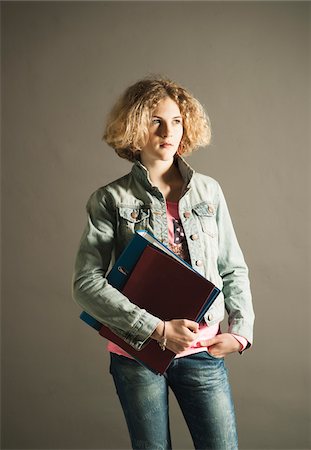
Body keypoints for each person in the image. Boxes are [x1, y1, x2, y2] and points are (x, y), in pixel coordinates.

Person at [72, 76, 255, 450]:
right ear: (134, 127)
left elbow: (233, 266)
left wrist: (241, 331)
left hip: (201, 350)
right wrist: (157, 330)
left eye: (176, 120)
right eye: (155, 120)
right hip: (136, 354)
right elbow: (86, 284)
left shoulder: (209, 191)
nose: (167, 131)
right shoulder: (109, 199)